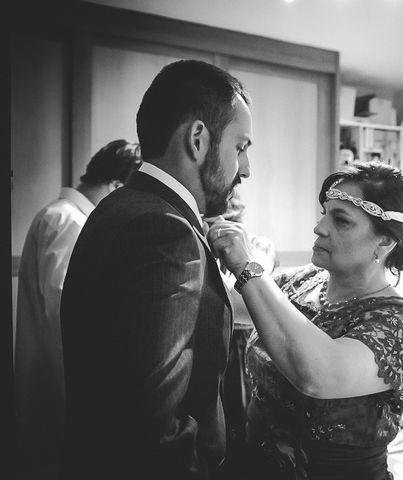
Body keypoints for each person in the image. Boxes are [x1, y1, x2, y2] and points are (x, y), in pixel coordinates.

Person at [59, 60, 252, 480]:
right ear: (198, 140)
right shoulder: (165, 230)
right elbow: (151, 425)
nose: (246, 170)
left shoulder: (118, 206)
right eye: (240, 148)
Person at [208, 160, 403, 480]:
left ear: (385, 240)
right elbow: (234, 304)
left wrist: (246, 264)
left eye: (341, 220)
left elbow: (317, 375)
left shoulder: (398, 325)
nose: (320, 227)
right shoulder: (302, 281)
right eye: (325, 213)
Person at [14, 139, 141, 480]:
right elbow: (68, 316)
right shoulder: (67, 222)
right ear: (116, 186)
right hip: (65, 391)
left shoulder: (61, 216)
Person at [216, 193, 278, 461]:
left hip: (242, 340)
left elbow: (248, 303)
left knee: (240, 409)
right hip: (216, 339)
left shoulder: (260, 246)